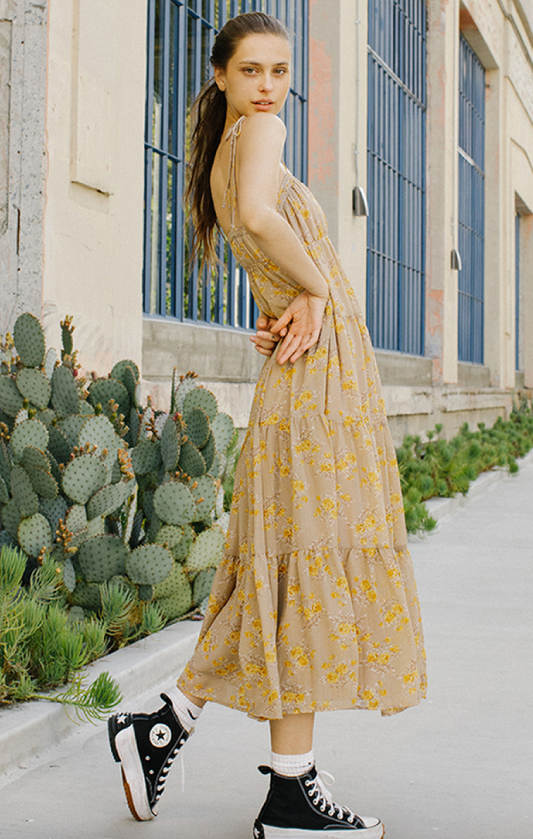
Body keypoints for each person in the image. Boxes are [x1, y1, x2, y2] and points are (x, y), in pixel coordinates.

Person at [108, 12, 426, 839]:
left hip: (303, 382)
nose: (267, 86)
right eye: (250, 70)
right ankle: (287, 794)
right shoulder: (257, 135)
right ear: (220, 76)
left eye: (280, 71)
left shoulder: (225, 147)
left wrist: (298, 296)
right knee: (304, 573)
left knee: (280, 576)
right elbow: (257, 216)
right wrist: (317, 288)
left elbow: (253, 224)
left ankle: (180, 730)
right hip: (315, 388)